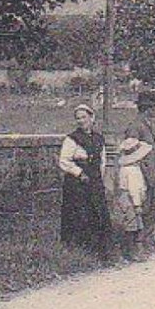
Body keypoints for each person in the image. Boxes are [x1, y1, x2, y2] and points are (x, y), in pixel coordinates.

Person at [57, 104, 111, 256]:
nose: (81, 121)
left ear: (91, 118)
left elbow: (102, 161)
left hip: (94, 180)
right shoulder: (72, 139)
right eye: (78, 118)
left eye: (84, 117)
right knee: (78, 213)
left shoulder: (99, 138)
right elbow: (64, 161)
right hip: (77, 183)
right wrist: (79, 173)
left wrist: (100, 178)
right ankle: (77, 247)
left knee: (97, 212)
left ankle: (99, 249)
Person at [124, 90, 155, 254]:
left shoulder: (146, 124)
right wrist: (147, 175)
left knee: (151, 208)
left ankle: (145, 241)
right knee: (142, 210)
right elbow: (131, 153)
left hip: (151, 174)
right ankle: (137, 244)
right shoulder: (136, 127)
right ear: (148, 108)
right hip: (141, 177)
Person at [111, 132, 153, 261]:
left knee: (128, 224)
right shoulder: (133, 171)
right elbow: (134, 189)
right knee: (134, 226)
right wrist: (137, 205)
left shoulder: (124, 168)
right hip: (131, 200)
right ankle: (132, 251)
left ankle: (128, 250)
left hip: (123, 198)